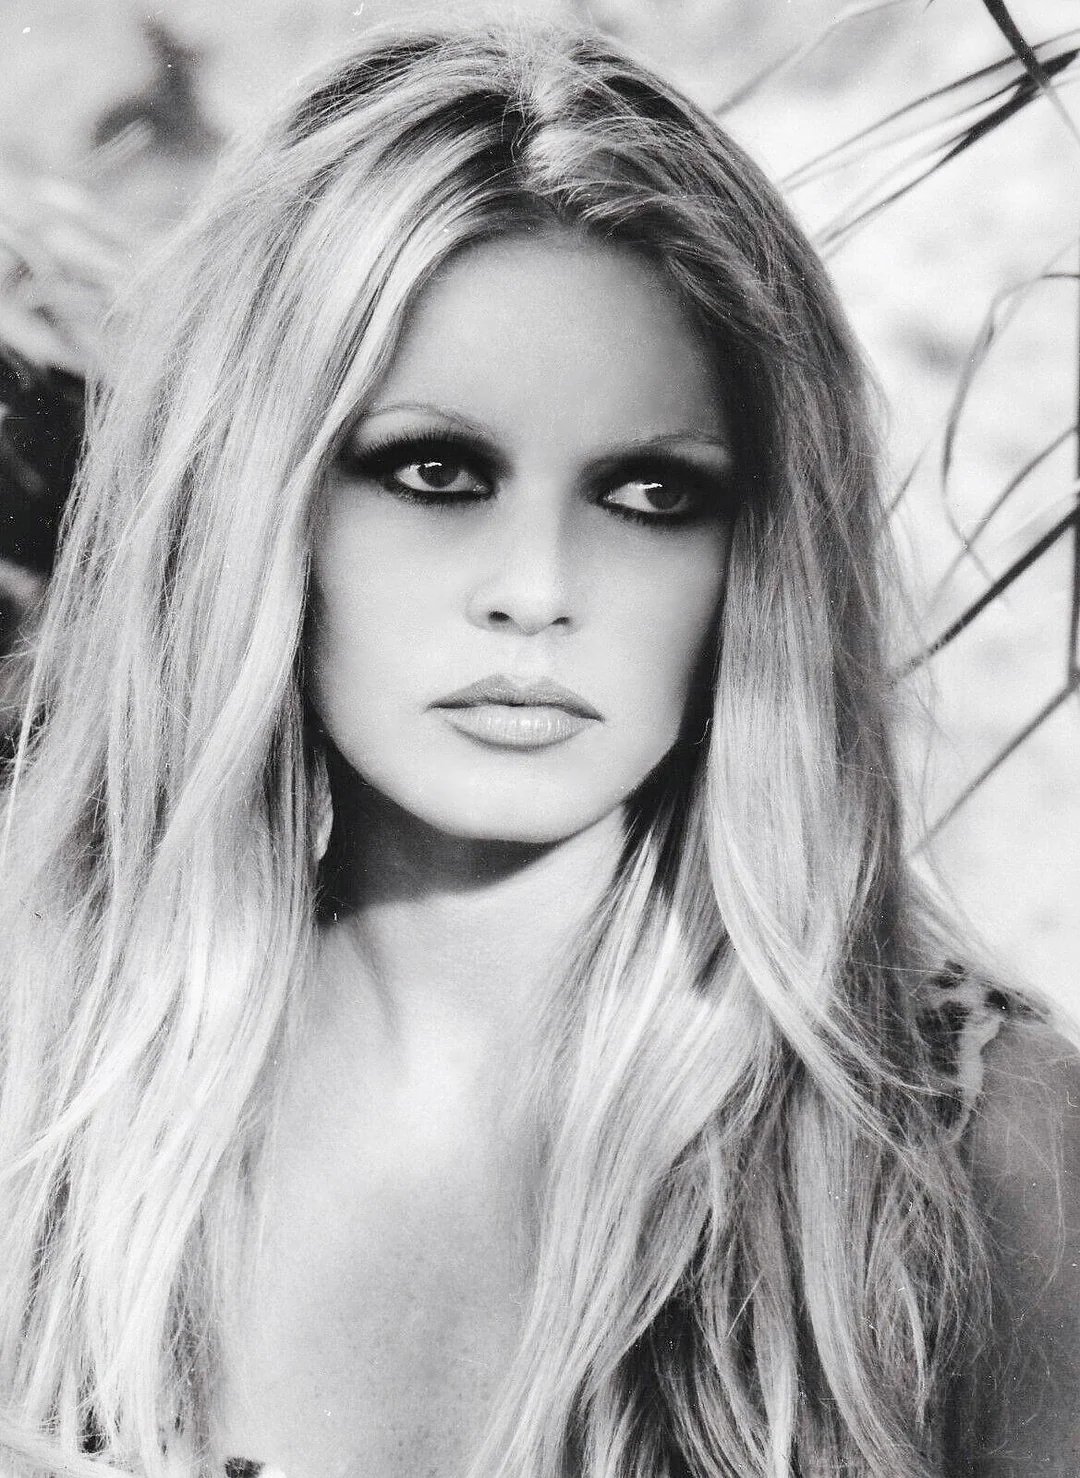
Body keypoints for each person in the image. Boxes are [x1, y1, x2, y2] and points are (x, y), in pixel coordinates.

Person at [0, 19, 1076, 1478]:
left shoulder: (979, 1158)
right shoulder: (47, 1071)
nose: (539, 588)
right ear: (264, 503)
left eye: (648, 493)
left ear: (757, 556)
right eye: (435, 471)